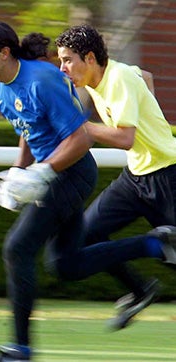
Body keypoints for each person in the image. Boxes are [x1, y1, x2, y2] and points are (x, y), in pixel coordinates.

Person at [0, 21, 176, 361]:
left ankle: (20, 349)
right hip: (117, 175)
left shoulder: (47, 80)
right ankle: (151, 250)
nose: (62, 68)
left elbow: (88, 137)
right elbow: (30, 128)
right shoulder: (2, 87)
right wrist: (19, 173)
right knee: (67, 264)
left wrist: (44, 170)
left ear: (3, 52)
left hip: (117, 174)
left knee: (17, 248)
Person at [56, 24, 176, 330]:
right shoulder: (106, 78)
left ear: (91, 58)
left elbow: (125, 139)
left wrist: (81, 125)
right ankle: (140, 290)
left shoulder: (119, 77)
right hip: (135, 179)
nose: (62, 68)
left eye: (67, 60)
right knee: (85, 235)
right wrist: (150, 113)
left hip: (167, 176)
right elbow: (145, 78)